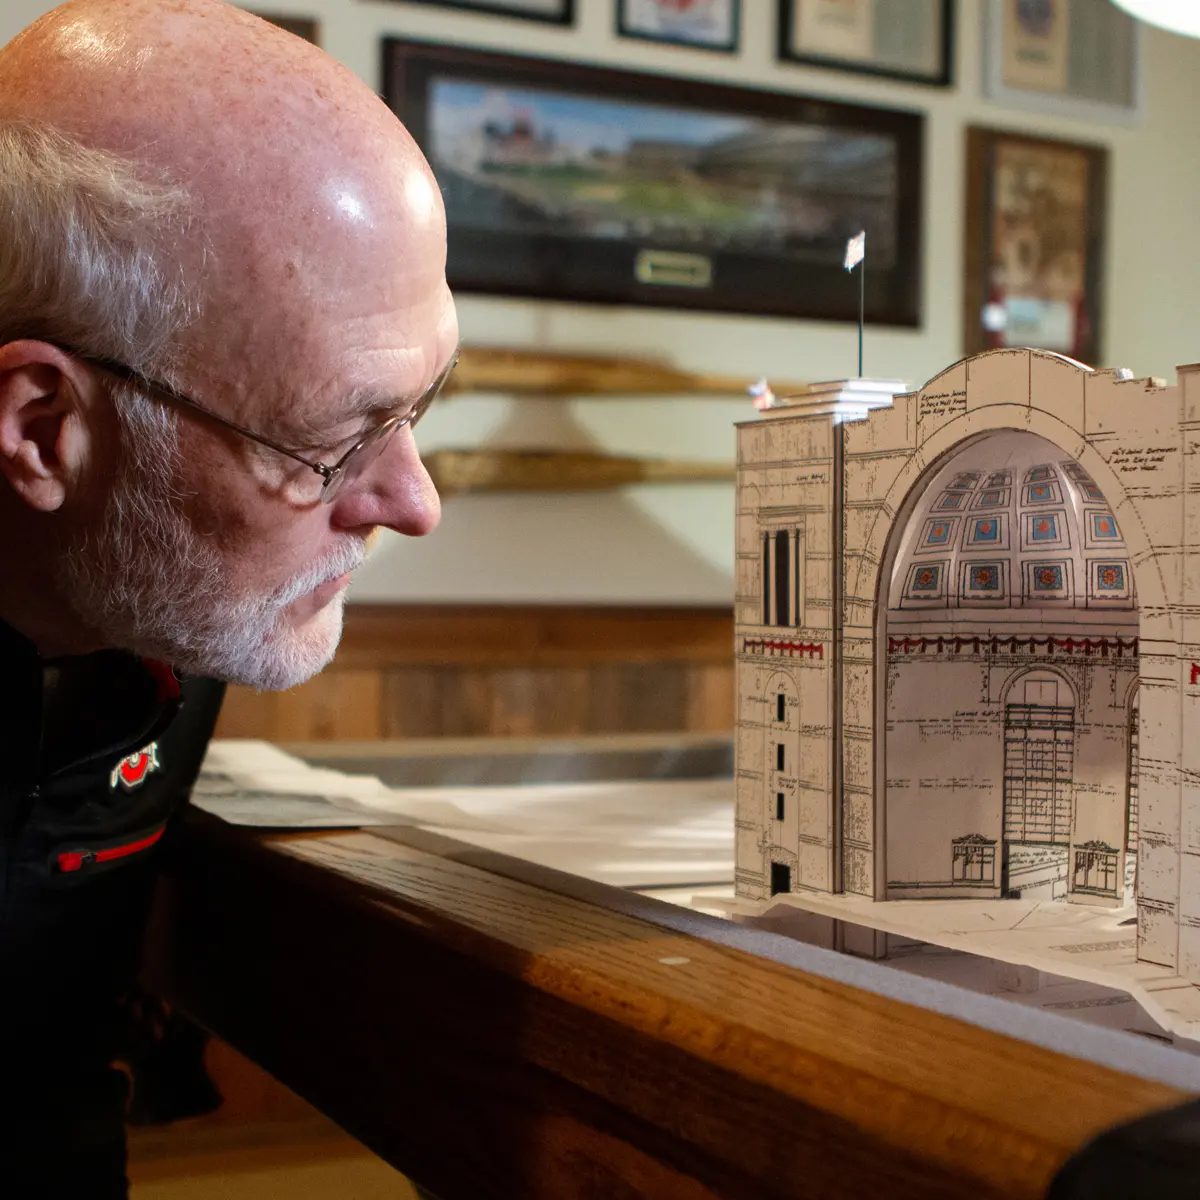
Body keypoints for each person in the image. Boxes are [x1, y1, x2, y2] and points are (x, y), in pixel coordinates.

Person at [0, 1, 455, 1193]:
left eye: (423, 408)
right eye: (332, 440)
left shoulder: (156, 598)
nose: (416, 503)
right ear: (43, 434)